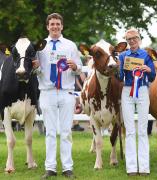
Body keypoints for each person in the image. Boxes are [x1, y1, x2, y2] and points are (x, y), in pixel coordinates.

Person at [33, 13, 82, 179]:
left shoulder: (70, 46)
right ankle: (50, 168)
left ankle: (68, 167)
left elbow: (79, 68)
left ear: (62, 26)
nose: (55, 27)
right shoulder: (40, 46)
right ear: (47, 27)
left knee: (66, 131)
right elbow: (36, 71)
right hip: (47, 92)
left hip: (66, 92)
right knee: (50, 132)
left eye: (58, 24)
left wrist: (75, 66)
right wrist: (36, 67)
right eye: (52, 24)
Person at [119, 28, 156, 176]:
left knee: (142, 130)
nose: (132, 41)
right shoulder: (123, 55)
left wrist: (148, 69)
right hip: (127, 91)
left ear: (139, 39)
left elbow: (153, 76)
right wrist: (120, 67)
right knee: (130, 130)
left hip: (141, 91)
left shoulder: (146, 55)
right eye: (129, 39)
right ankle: (132, 168)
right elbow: (120, 76)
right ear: (127, 42)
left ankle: (144, 167)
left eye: (134, 38)